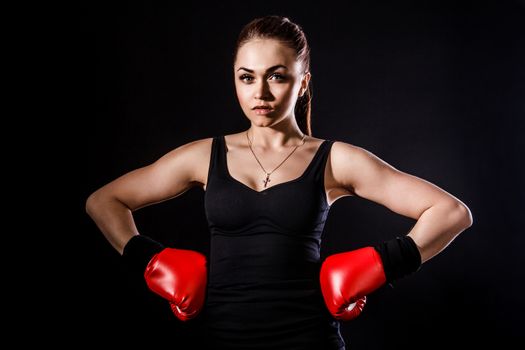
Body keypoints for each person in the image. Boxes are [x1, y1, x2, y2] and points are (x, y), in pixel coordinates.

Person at [86, 15, 473, 349]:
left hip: (309, 340)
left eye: (277, 76)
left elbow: (452, 212)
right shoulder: (204, 156)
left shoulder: (334, 160)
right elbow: (104, 201)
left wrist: (384, 263)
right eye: (247, 77)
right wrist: (151, 260)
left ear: (302, 83)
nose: (261, 93)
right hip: (219, 341)